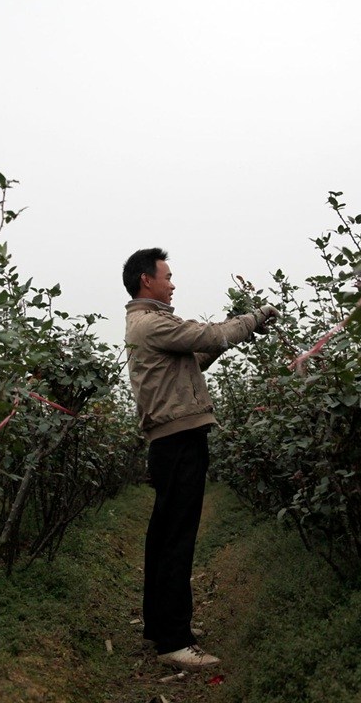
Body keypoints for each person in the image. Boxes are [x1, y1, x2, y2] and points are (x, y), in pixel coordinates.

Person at [121, 247, 278, 670]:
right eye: (167, 276)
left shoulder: (148, 325)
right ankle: (175, 640)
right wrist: (254, 318)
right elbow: (208, 336)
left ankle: (160, 625)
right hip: (179, 439)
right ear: (145, 280)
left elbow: (197, 357)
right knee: (177, 537)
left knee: (164, 533)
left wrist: (234, 335)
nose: (173, 283)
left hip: (171, 440)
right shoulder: (152, 322)